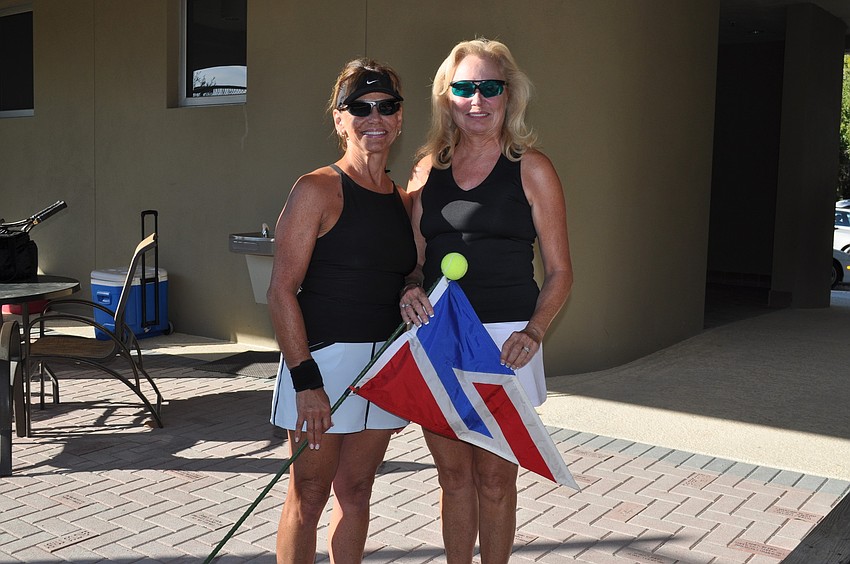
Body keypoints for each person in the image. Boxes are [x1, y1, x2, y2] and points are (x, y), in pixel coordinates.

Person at [401, 39, 573, 564]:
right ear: (446, 97)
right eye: (464, 88)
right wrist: (410, 287)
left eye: (489, 87)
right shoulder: (426, 170)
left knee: (496, 479)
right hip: (440, 336)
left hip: (504, 343)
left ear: (509, 95)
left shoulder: (532, 167)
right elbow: (415, 261)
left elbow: (561, 271)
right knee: (452, 477)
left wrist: (534, 330)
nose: (477, 100)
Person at [267, 59, 416, 564]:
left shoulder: (403, 202)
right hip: (322, 365)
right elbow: (281, 291)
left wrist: (411, 288)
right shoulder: (316, 189)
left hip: (383, 367)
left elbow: (409, 273)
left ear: (399, 117)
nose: (375, 117)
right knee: (309, 495)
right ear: (339, 119)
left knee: (357, 491)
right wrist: (307, 382)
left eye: (386, 106)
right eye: (360, 107)